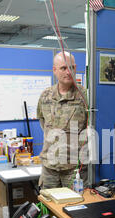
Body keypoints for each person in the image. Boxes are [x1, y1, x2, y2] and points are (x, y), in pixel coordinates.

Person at [37, 51, 88, 189]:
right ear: (54, 70)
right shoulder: (46, 96)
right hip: (49, 167)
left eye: (71, 68)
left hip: (74, 169)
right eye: (63, 68)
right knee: (48, 208)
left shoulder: (85, 97)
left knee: (75, 207)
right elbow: (43, 123)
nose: (68, 72)